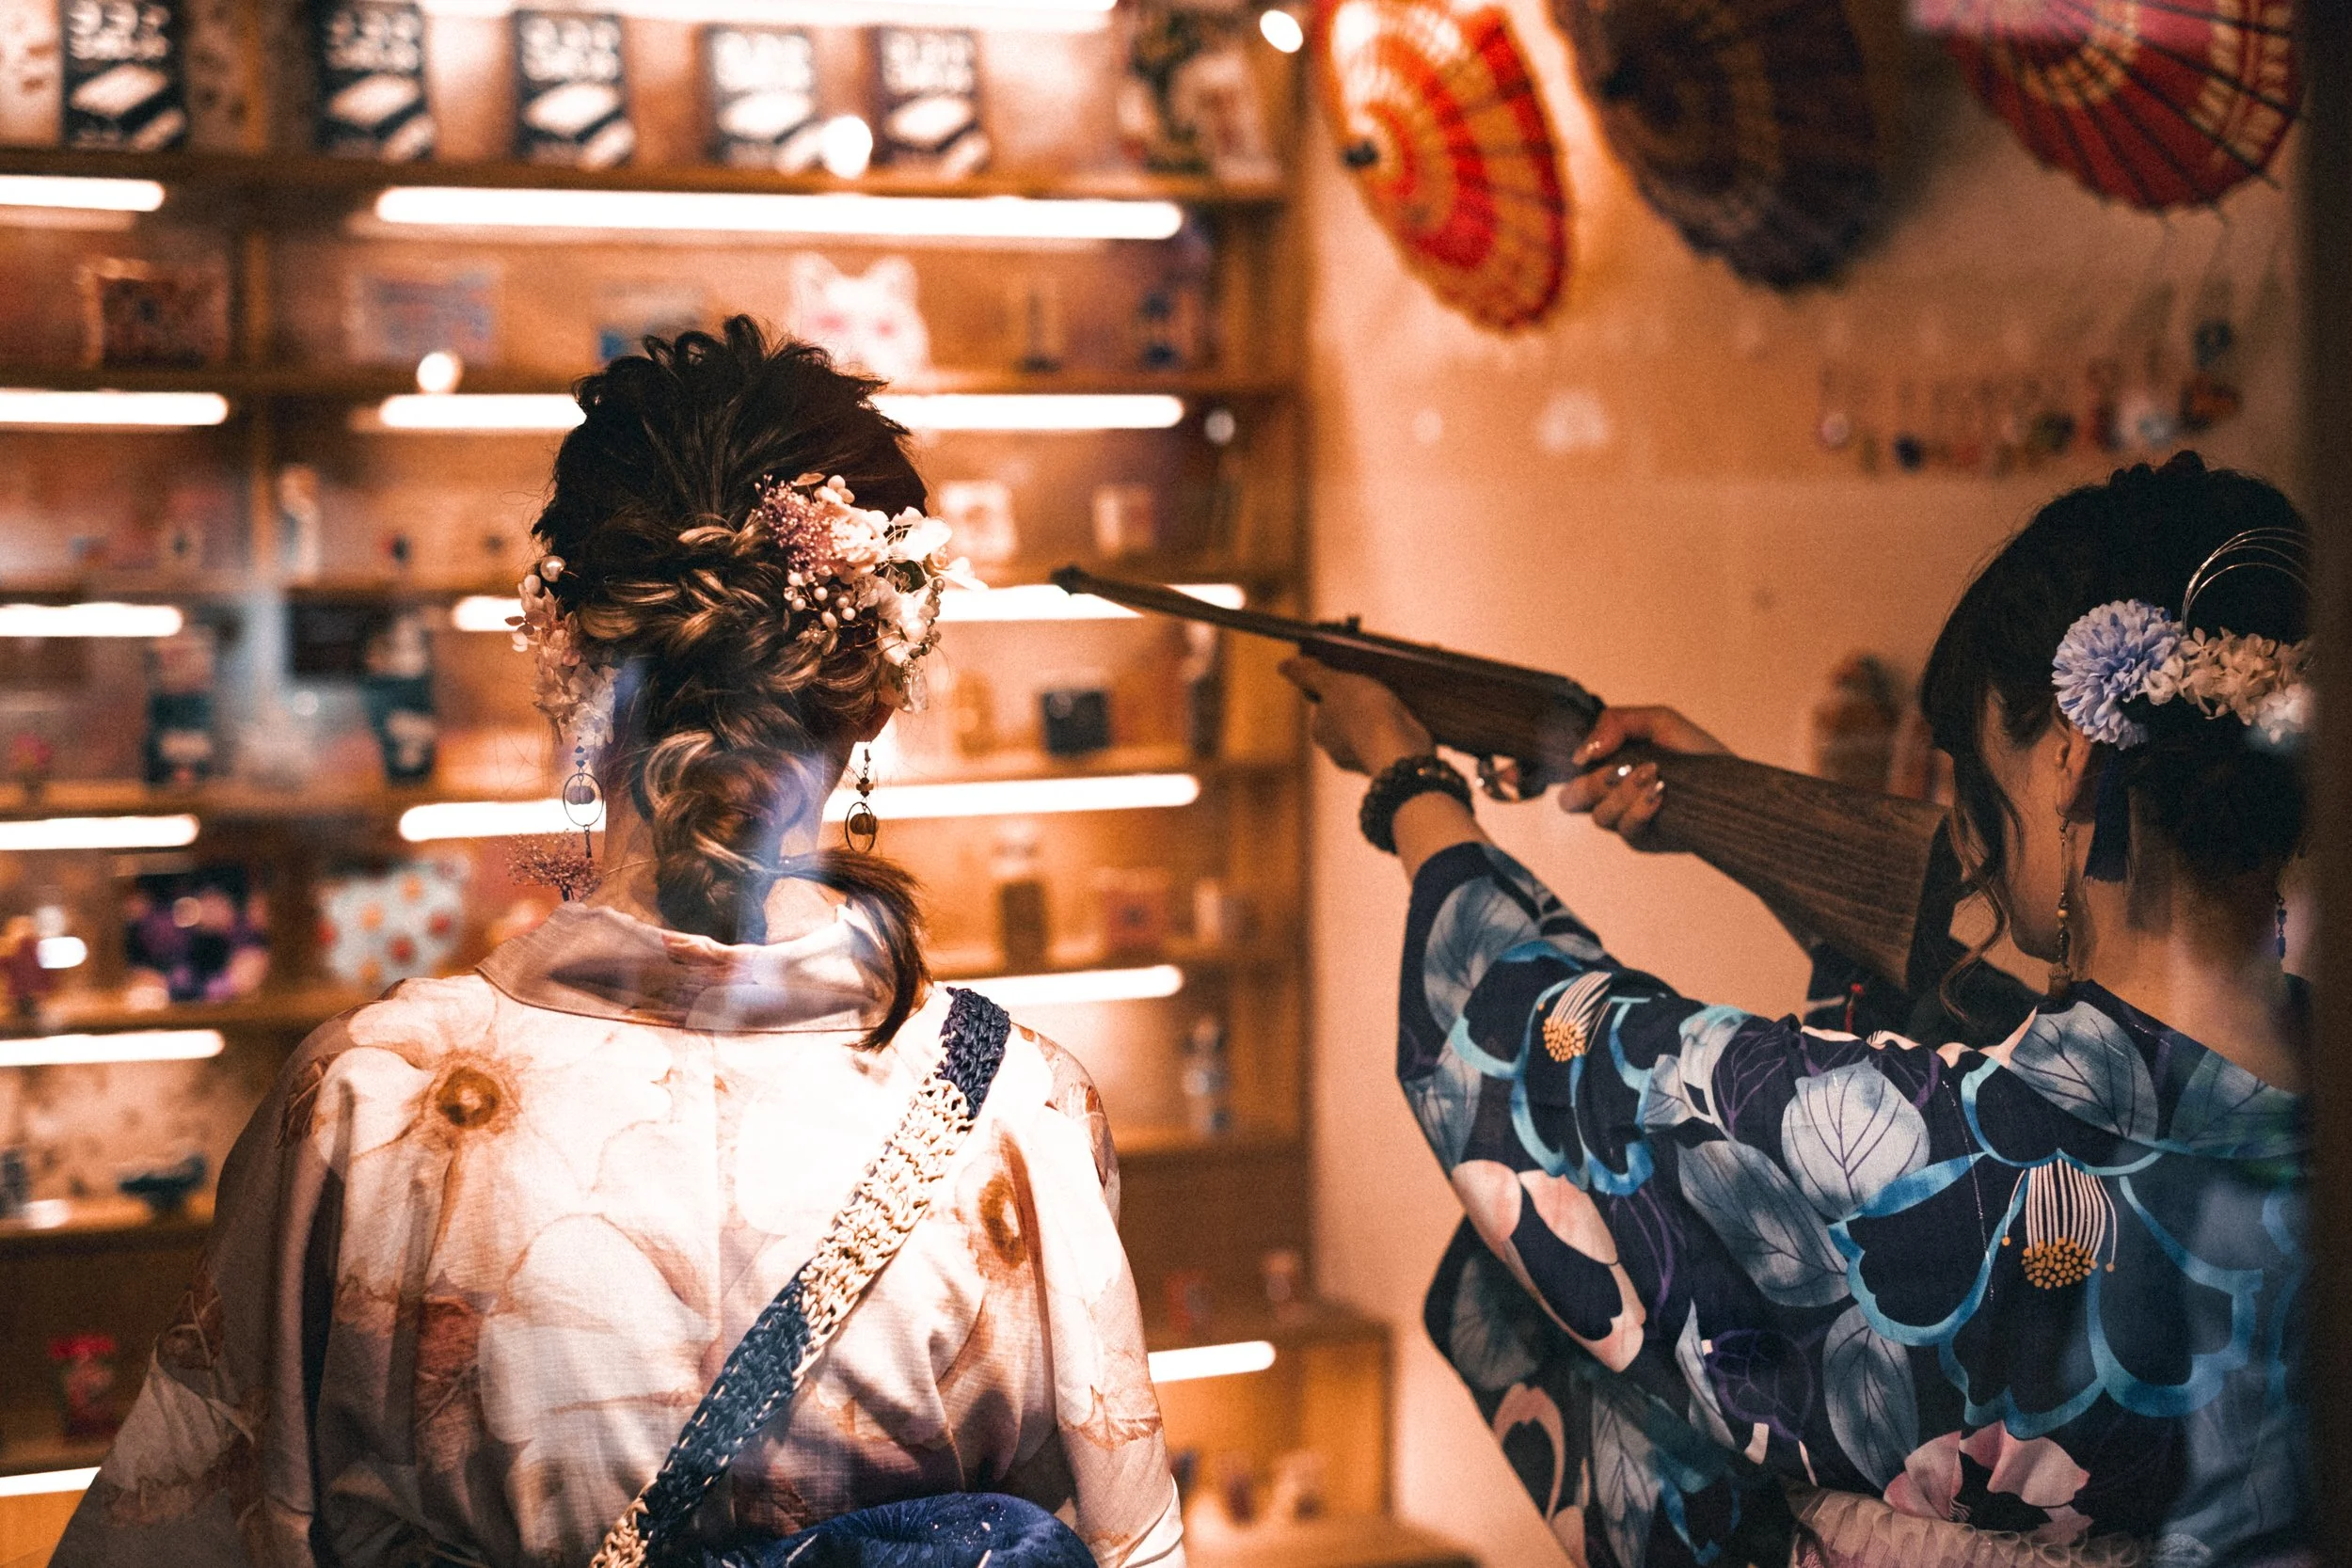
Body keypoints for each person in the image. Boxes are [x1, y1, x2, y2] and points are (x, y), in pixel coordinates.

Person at [52, 320, 1184, 1568]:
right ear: (872, 688)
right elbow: (1118, 1529)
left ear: (568, 651)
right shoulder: (1018, 1112)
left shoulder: (374, 1102)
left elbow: (190, 1524)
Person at [1283, 453, 2309, 1567]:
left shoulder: (1948, 1164)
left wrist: (1402, 777)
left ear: (2068, 757)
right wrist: (1745, 814)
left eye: (1974, 779)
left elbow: (1538, 1050)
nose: (1966, 835)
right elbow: (1981, 998)